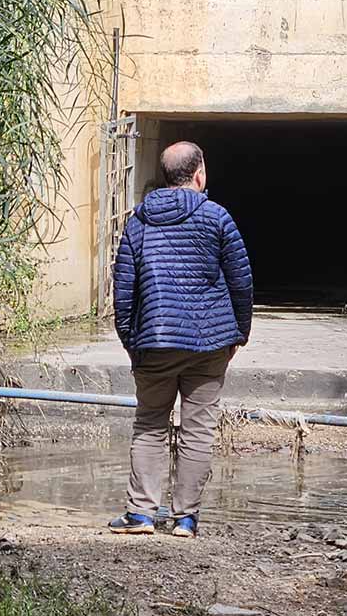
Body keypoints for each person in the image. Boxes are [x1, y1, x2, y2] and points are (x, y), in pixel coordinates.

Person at [108, 141, 253, 537]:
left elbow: (123, 290)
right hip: (209, 345)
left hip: (152, 340)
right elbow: (241, 282)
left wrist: (131, 341)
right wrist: (238, 334)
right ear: (200, 173)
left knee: (150, 423)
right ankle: (185, 519)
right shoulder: (217, 218)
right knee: (198, 429)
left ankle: (140, 514)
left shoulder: (138, 221)